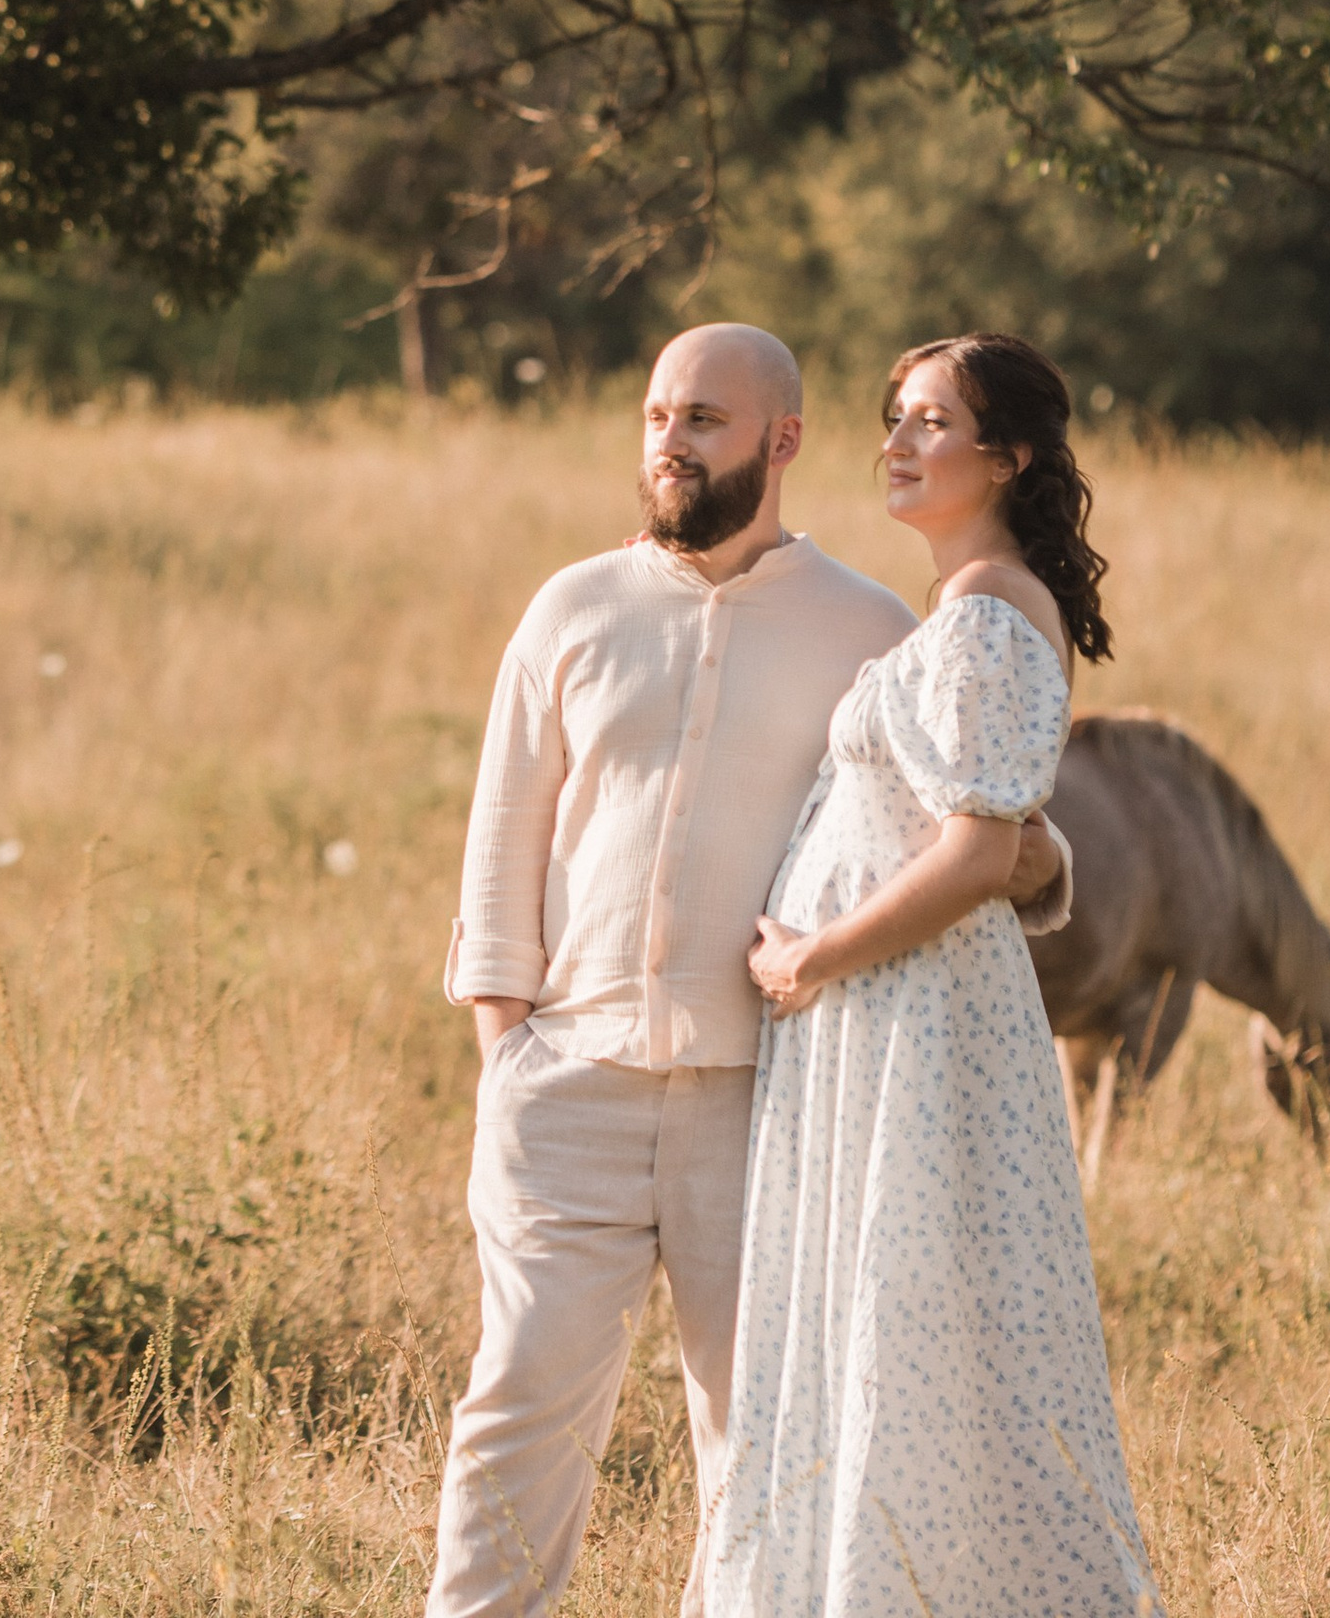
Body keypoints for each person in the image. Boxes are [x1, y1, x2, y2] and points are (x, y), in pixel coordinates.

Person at [429, 319, 1073, 1618]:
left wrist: (1038, 863)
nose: (669, 441)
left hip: (765, 1103)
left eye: (703, 419)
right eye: (657, 415)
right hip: (566, 1095)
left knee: (765, 1447)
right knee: (516, 1415)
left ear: (781, 441)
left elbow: (971, 812)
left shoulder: (870, 627)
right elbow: (501, 851)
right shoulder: (571, 609)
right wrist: (510, 1059)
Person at [707, 331, 1161, 1618]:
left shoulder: (986, 616)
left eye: (930, 422)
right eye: (894, 418)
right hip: (887, 1010)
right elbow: (1015, 836)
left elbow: (976, 851)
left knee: (912, 1327)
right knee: (903, 1327)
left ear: (1004, 458)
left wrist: (810, 955)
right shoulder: (969, 607)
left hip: (909, 1014)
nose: (895, 444)